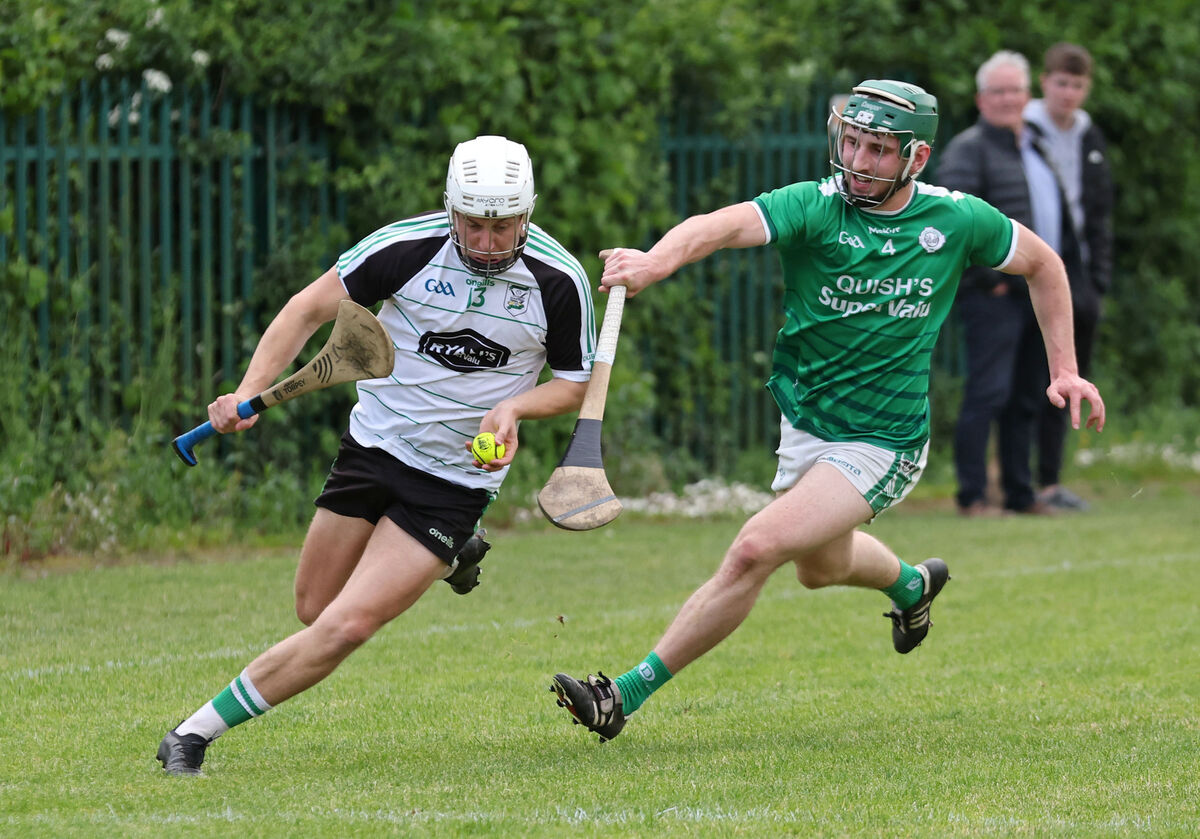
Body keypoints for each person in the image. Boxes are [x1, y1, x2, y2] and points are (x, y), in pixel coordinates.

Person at [549, 80, 1105, 742]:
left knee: (756, 546)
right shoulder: (814, 206)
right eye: (851, 142)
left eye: (877, 149)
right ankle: (909, 585)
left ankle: (624, 693)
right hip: (809, 424)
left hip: (885, 439)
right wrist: (655, 261)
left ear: (917, 158)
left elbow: (1045, 264)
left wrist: (1065, 369)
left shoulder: (956, 220)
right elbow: (719, 225)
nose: (859, 160)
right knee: (818, 567)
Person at [156, 135, 596, 774]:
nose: (488, 241)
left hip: (455, 479)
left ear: (528, 213)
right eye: (473, 223)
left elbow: (575, 383)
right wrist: (248, 392)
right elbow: (306, 310)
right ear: (451, 209)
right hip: (374, 445)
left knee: (345, 628)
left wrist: (516, 410)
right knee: (314, 610)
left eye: (504, 226)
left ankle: (190, 735)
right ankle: (452, 562)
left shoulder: (559, 280)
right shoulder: (404, 247)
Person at [938, 51, 1083, 517]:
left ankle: (1020, 494)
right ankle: (973, 495)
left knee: (1028, 394)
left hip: (1033, 295)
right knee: (988, 392)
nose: (1007, 99)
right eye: (997, 91)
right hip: (992, 296)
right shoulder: (968, 149)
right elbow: (952, 223)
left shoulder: (1034, 145)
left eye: (1015, 90)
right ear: (981, 99)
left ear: (1028, 95)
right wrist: (989, 280)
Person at [1025, 43, 1113, 511]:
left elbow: (1100, 215)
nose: (1069, 93)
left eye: (1078, 85)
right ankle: (1015, 486)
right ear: (1045, 82)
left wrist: (1097, 279)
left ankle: (1050, 482)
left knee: (1069, 378)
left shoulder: (1089, 136)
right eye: (1062, 82)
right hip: (1031, 265)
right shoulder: (1023, 128)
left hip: (1076, 274)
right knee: (1022, 382)